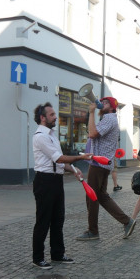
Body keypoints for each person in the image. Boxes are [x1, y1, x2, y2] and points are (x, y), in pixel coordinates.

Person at [32, 103, 93, 269]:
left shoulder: (52, 136)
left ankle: (57, 254)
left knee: (58, 219)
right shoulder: (40, 136)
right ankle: (38, 258)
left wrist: (73, 170)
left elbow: (59, 162)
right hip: (44, 181)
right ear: (43, 118)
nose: (55, 117)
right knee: (43, 220)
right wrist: (80, 158)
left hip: (56, 181)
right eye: (52, 115)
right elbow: (59, 158)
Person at [76, 97, 136, 240]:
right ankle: (127, 222)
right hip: (101, 163)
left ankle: (93, 231)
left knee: (92, 196)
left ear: (112, 107)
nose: (101, 104)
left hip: (98, 163)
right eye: (101, 102)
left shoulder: (109, 118)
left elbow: (92, 133)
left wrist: (91, 113)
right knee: (101, 196)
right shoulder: (108, 119)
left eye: (105, 102)